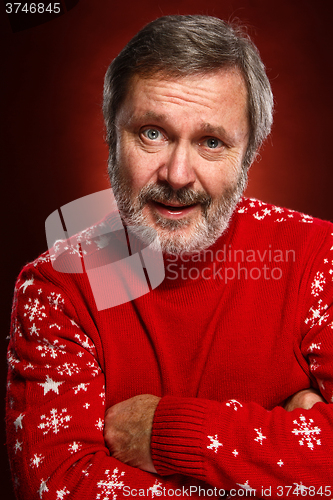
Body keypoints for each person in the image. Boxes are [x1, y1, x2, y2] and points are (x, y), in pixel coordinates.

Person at [6, 15, 333, 500]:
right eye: (152, 133)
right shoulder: (55, 290)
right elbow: (62, 486)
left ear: (249, 154)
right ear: (111, 137)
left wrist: (170, 434)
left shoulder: (318, 257)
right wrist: (284, 471)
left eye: (211, 142)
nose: (178, 175)